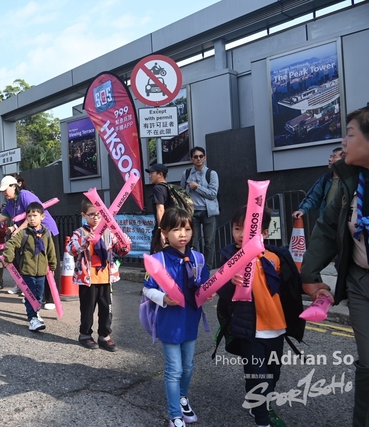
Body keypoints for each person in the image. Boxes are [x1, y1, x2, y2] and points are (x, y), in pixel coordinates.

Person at [301, 106, 369, 427]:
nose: (344, 141)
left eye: (350, 134)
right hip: (360, 282)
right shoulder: (348, 181)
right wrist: (310, 275)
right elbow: (328, 229)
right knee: (367, 363)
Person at [216, 205, 304, 427]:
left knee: (273, 372)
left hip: (276, 328)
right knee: (256, 375)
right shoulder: (231, 258)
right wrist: (229, 282)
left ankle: (258, 403)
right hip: (250, 330)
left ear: (264, 233)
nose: (241, 234)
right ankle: (262, 418)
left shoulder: (276, 257)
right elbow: (221, 290)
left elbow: (290, 287)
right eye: (237, 228)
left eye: (248, 230)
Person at [142, 208, 209, 427]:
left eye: (187, 229)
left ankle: (182, 398)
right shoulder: (157, 259)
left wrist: (208, 293)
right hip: (169, 322)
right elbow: (147, 289)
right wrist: (163, 297)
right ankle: (174, 415)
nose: (183, 234)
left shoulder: (198, 258)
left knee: (188, 366)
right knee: (174, 369)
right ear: (164, 233)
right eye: (177, 229)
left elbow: (204, 285)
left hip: (190, 320)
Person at [0, 175, 59, 306]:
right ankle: (37, 296)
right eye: (2, 191)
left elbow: (30, 216)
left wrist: (18, 230)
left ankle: (51, 298)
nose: (4, 193)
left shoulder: (25, 195)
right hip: (30, 235)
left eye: (5, 189)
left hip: (46, 231)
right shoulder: (10, 203)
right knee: (33, 264)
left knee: (48, 263)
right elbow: (0, 217)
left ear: (14, 186)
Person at [67, 198, 131, 350]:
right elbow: (71, 249)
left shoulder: (109, 232)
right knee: (87, 309)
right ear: (83, 215)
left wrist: (125, 244)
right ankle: (85, 334)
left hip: (106, 277)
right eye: (91, 214)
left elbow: (119, 250)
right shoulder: (80, 232)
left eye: (98, 214)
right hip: (87, 279)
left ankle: (105, 335)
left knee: (106, 309)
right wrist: (84, 241)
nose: (95, 217)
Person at [3, 202, 57, 331]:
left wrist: (53, 266)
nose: (32, 218)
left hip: (42, 272)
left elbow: (51, 250)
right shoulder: (23, 233)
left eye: (35, 215)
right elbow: (11, 243)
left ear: (42, 217)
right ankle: (32, 319)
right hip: (27, 271)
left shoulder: (46, 233)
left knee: (38, 296)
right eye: (29, 216)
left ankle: (35, 313)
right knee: (30, 295)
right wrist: (8, 257)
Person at [181, 146, 219, 268]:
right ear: (191, 159)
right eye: (196, 157)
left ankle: (207, 268)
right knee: (194, 242)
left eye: (201, 156)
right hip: (192, 213)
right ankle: (196, 266)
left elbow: (213, 194)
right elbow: (182, 193)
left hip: (208, 212)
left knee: (209, 242)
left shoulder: (211, 174)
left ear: (205, 157)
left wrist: (197, 187)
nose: (198, 159)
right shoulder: (186, 173)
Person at [292, 147, 344, 219]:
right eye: (330, 156)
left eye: (334, 157)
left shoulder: (350, 180)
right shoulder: (325, 179)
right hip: (327, 220)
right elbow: (313, 197)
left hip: (344, 221)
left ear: (344, 160)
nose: (330, 159)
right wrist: (302, 210)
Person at [146, 163, 170, 254]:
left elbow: (160, 209)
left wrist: (161, 230)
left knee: (156, 257)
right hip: (172, 227)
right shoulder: (169, 188)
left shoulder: (158, 188)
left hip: (163, 228)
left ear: (160, 174)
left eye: (152, 173)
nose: (150, 176)